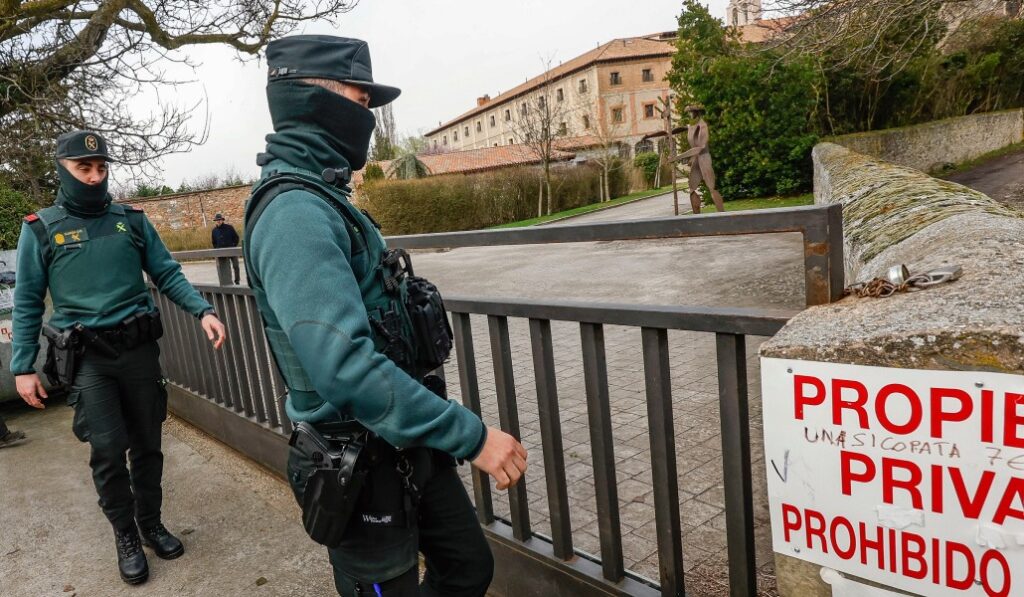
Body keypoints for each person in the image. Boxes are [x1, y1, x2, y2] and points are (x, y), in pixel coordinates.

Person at [243, 35, 528, 596]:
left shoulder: (327, 197)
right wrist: (471, 437)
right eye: (359, 96)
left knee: (468, 565)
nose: (368, 113)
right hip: (355, 460)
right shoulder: (294, 214)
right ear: (314, 97)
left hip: (402, 442)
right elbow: (342, 364)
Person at [10, 131, 227, 585]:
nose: (94, 177)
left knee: (148, 444)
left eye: (101, 168)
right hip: (89, 361)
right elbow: (28, 301)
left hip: (138, 352)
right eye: (83, 169)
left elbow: (166, 271)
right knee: (109, 450)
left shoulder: (130, 219)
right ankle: (125, 534)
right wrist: (23, 366)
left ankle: (150, 523)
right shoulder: (40, 228)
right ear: (63, 171)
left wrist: (201, 310)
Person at [678, 104, 725, 214]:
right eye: (688, 113)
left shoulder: (703, 126)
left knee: (711, 187)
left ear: (696, 113)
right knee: (692, 188)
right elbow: (687, 135)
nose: (689, 115)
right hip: (697, 160)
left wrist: (677, 157)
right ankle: (696, 217)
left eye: (691, 112)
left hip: (704, 158)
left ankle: (723, 215)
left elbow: (699, 148)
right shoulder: (692, 127)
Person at [210, 213, 240, 284]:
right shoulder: (214, 231)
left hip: (231, 250)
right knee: (225, 268)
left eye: (220, 220)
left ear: (222, 220)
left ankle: (237, 281)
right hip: (221, 251)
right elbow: (214, 242)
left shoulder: (229, 227)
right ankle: (228, 282)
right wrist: (217, 249)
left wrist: (233, 245)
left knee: (236, 266)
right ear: (215, 221)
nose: (218, 221)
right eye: (217, 220)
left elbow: (236, 237)